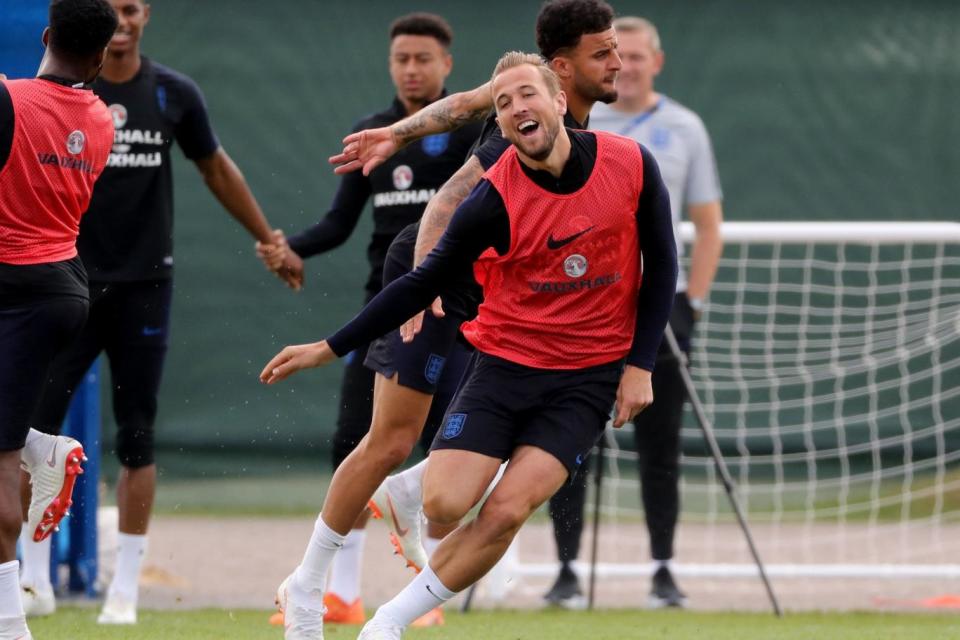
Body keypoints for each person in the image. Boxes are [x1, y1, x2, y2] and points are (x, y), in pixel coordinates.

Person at [261, 51, 677, 640]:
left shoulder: (630, 163)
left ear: (560, 100)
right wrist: (330, 346)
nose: (515, 108)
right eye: (503, 103)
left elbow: (662, 264)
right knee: (445, 506)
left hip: (587, 378)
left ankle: (386, 624)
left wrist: (640, 366)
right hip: (504, 365)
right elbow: (424, 275)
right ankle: (368, 528)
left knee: (507, 511)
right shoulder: (492, 197)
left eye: (526, 95)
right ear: (500, 127)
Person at [324, 0, 621, 587]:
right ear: (562, 68)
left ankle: (409, 494)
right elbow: (449, 197)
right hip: (438, 272)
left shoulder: (563, 125)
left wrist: (396, 131)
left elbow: (460, 104)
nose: (617, 62)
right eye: (604, 51)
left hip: (486, 287)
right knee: (388, 439)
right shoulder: (526, 114)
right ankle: (316, 581)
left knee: (518, 408)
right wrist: (425, 274)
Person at [17, 0, 296, 625]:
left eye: (135, 7)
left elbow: (215, 168)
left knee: (137, 435)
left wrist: (268, 238)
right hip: (68, 283)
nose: (125, 18)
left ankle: (125, 589)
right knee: (35, 434)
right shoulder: (59, 100)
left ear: (148, 15)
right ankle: (34, 577)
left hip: (145, 286)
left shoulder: (173, 93)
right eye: (114, 8)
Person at [255, 12, 481, 627]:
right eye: (401, 59)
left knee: (461, 448)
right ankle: (338, 594)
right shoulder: (371, 133)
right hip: (388, 314)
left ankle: (424, 592)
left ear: (447, 67)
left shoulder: (476, 134)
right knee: (361, 444)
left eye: (423, 59)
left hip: (464, 315)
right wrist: (293, 246)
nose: (411, 68)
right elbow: (338, 222)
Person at [544, 15, 724, 609]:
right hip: (583, 304)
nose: (628, 65)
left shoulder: (684, 127)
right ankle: (566, 569)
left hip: (658, 310)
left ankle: (663, 569)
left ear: (656, 61)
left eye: (638, 55)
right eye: (617, 54)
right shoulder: (574, 120)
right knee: (567, 439)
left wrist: (689, 305)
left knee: (661, 442)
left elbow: (707, 224)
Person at [0, 1, 118, 637]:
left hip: (16, 288)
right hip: (62, 291)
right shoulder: (101, 119)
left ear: (45, 36)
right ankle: (43, 446)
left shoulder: (10, 99)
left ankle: (9, 624)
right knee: (7, 447)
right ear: (101, 58)